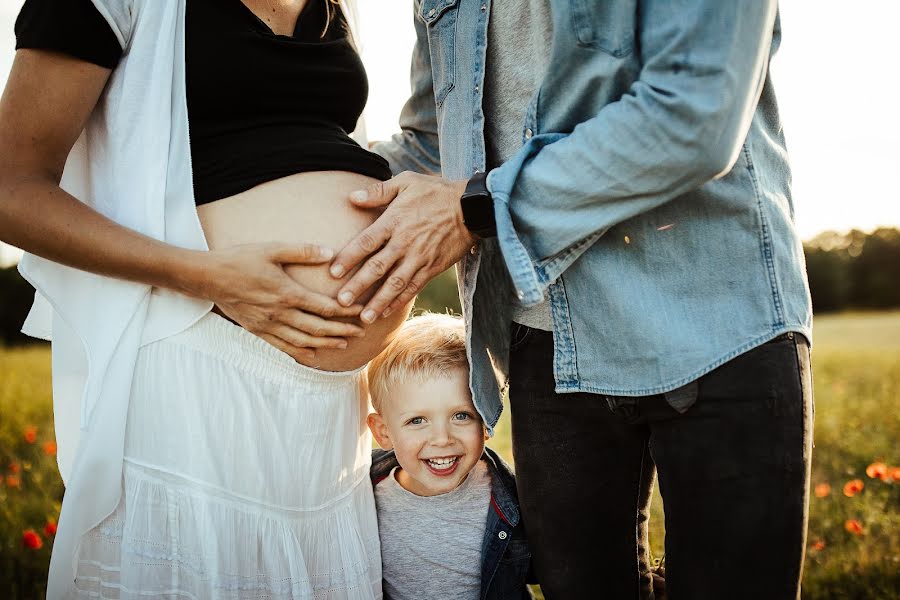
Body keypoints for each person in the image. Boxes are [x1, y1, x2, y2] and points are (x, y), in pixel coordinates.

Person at [328, 1, 813, 599]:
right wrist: (286, 183)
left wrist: (477, 207)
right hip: (545, 334)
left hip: (715, 316)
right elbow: (432, 148)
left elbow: (696, 115)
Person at [0, 0, 413, 597]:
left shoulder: (329, 8)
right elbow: (12, 187)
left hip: (326, 419)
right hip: (194, 363)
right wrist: (204, 275)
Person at [365, 313, 533, 600]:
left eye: (461, 415)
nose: (442, 439)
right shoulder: (365, 497)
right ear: (383, 432)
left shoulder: (511, 498)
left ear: (486, 420)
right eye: (417, 420)